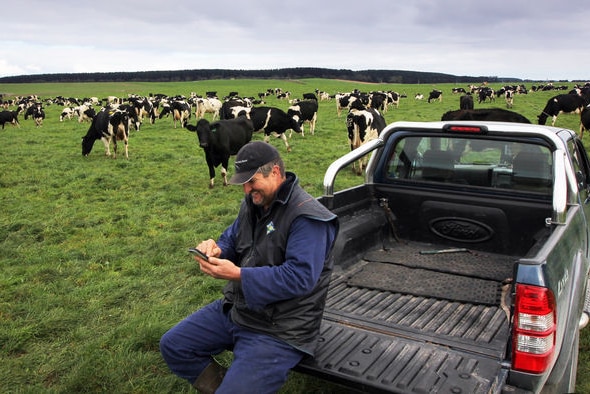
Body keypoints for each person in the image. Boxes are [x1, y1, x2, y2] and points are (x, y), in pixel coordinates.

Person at [160, 141, 339, 393]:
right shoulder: (253, 203)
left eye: (252, 181)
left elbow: (300, 278)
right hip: (239, 308)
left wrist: (237, 274)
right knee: (173, 345)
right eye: (243, 183)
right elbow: (232, 239)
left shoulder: (308, 217)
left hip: (281, 327)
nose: (246, 190)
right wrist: (217, 248)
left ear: (275, 172)